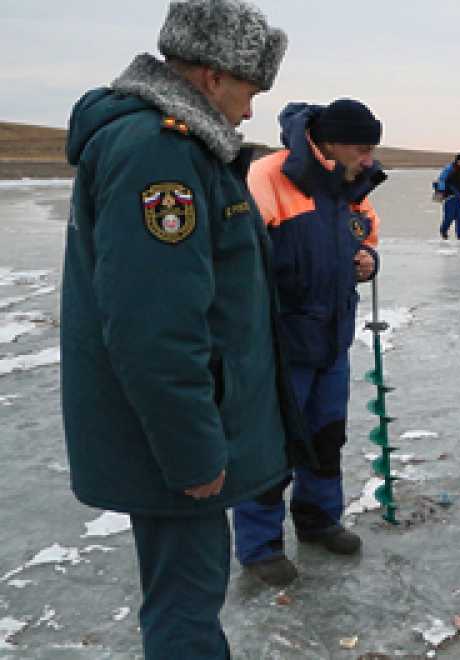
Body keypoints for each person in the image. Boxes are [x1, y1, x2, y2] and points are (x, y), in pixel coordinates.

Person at [60, 1, 311, 657]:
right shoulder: (159, 156)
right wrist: (193, 452)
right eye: (250, 91)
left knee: (184, 596)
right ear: (210, 77)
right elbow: (155, 328)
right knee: (186, 607)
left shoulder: (180, 147)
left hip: (177, 429)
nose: (252, 111)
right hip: (174, 444)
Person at [232, 99, 386, 586]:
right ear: (332, 142)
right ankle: (259, 546)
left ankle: (318, 520)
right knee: (270, 446)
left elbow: (365, 238)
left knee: (326, 436)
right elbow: (236, 262)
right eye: (362, 149)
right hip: (278, 346)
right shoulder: (267, 177)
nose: (369, 159)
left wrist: (367, 262)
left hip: (332, 339)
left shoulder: (351, 184)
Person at [435, 153, 460, 240]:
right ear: (456, 161)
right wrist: (441, 191)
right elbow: (441, 180)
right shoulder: (449, 169)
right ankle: (443, 231)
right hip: (451, 197)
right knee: (449, 217)